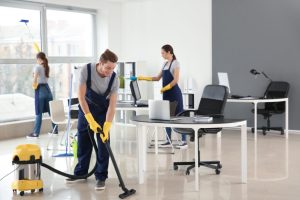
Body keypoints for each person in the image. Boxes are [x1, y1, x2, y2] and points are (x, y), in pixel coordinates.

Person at [65, 49, 119, 190]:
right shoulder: (86, 70)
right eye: (108, 67)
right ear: (100, 63)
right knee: (83, 142)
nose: (110, 71)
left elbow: (112, 106)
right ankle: (80, 173)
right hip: (86, 108)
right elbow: (81, 97)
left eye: (113, 68)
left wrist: (107, 125)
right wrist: (89, 118)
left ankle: (101, 177)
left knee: (103, 144)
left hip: (103, 111)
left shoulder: (114, 79)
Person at [131, 44, 187, 149]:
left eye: (163, 53)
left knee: (179, 116)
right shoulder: (165, 64)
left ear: (169, 52)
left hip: (174, 93)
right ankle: (168, 140)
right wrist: (140, 78)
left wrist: (165, 87)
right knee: (166, 116)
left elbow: (175, 80)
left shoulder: (176, 63)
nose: (161, 55)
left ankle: (184, 141)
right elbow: (157, 78)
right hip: (166, 94)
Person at [27, 52, 57, 138]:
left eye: (37, 59)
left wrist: (33, 85)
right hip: (48, 90)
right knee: (51, 111)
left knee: (38, 112)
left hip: (40, 90)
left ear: (39, 59)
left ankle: (35, 133)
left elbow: (35, 79)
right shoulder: (47, 67)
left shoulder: (37, 67)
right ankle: (55, 130)